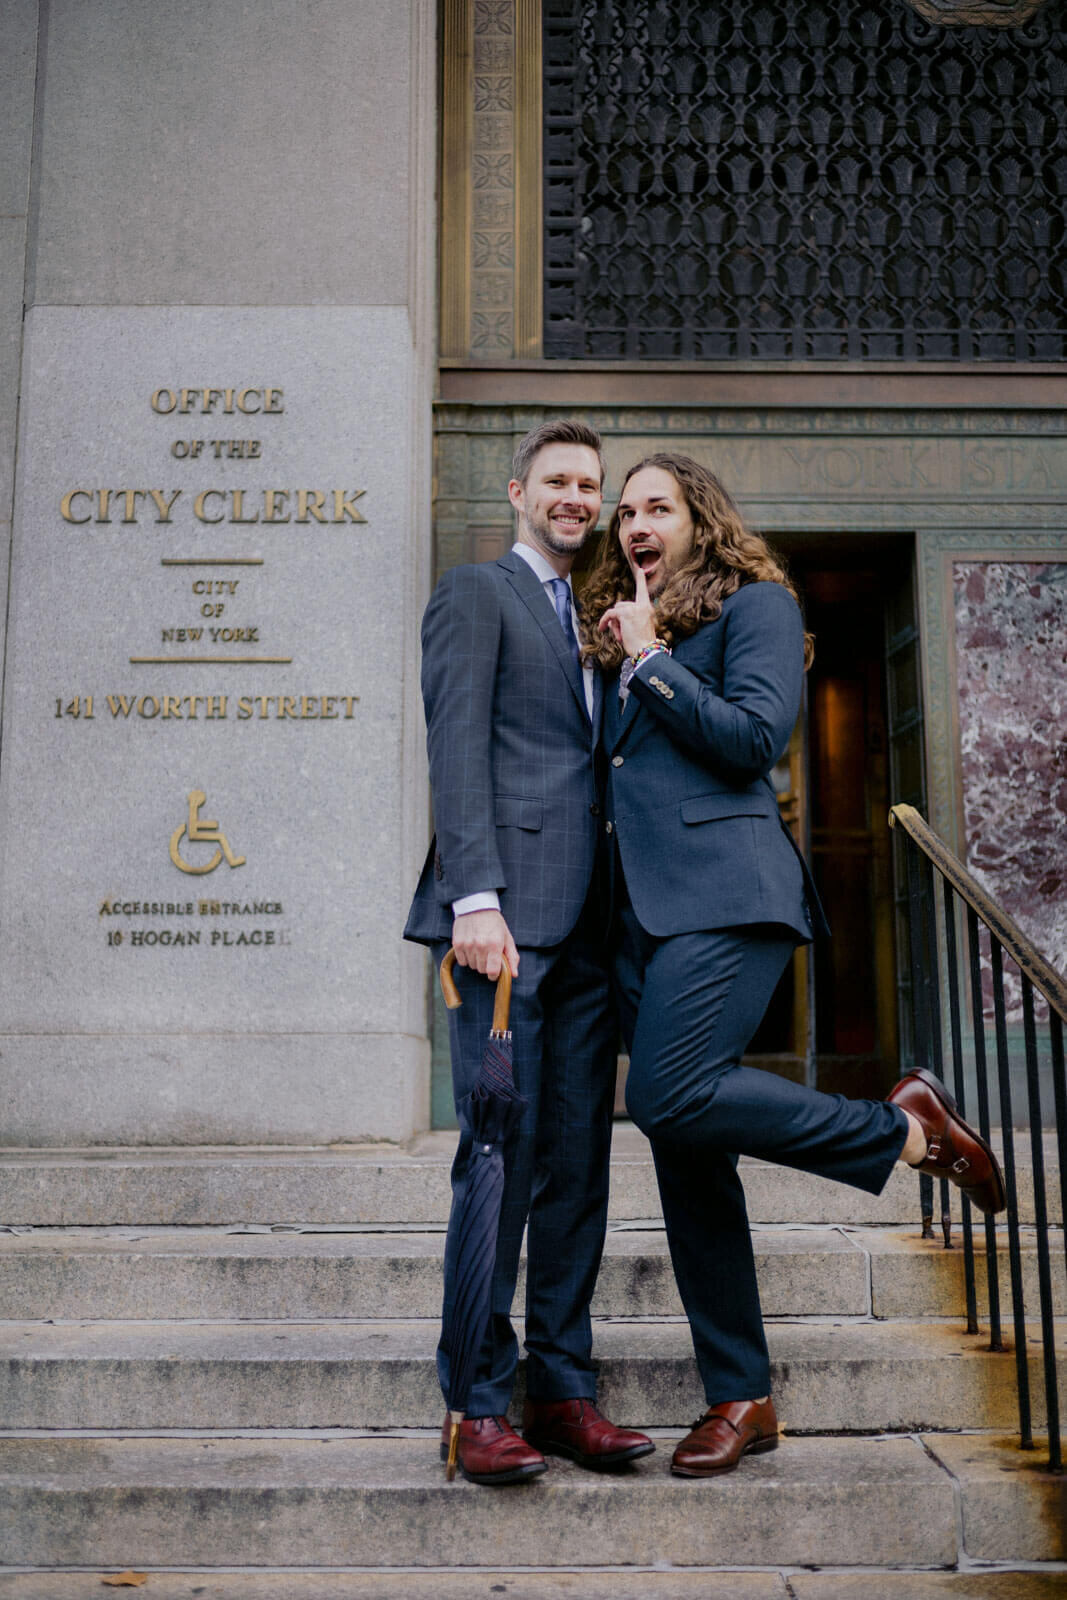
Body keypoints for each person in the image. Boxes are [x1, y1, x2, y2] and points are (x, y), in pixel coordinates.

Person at [582, 451, 1006, 1479]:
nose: (636, 524)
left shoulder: (754, 607)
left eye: (657, 507)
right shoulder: (614, 634)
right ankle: (741, 1394)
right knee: (685, 1148)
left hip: (729, 898)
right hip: (635, 920)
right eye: (623, 511)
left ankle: (900, 1132)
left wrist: (648, 661)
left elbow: (753, 739)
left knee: (674, 1095)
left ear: (698, 519)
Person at [404, 420, 654, 1485]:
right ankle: (471, 1402)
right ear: (517, 491)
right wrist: (473, 898)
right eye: (556, 480)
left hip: (593, 934)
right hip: (501, 932)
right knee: (495, 1166)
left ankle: (559, 1389)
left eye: (588, 485)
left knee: (576, 1171)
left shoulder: (598, 617)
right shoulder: (477, 595)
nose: (575, 498)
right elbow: (457, 746)